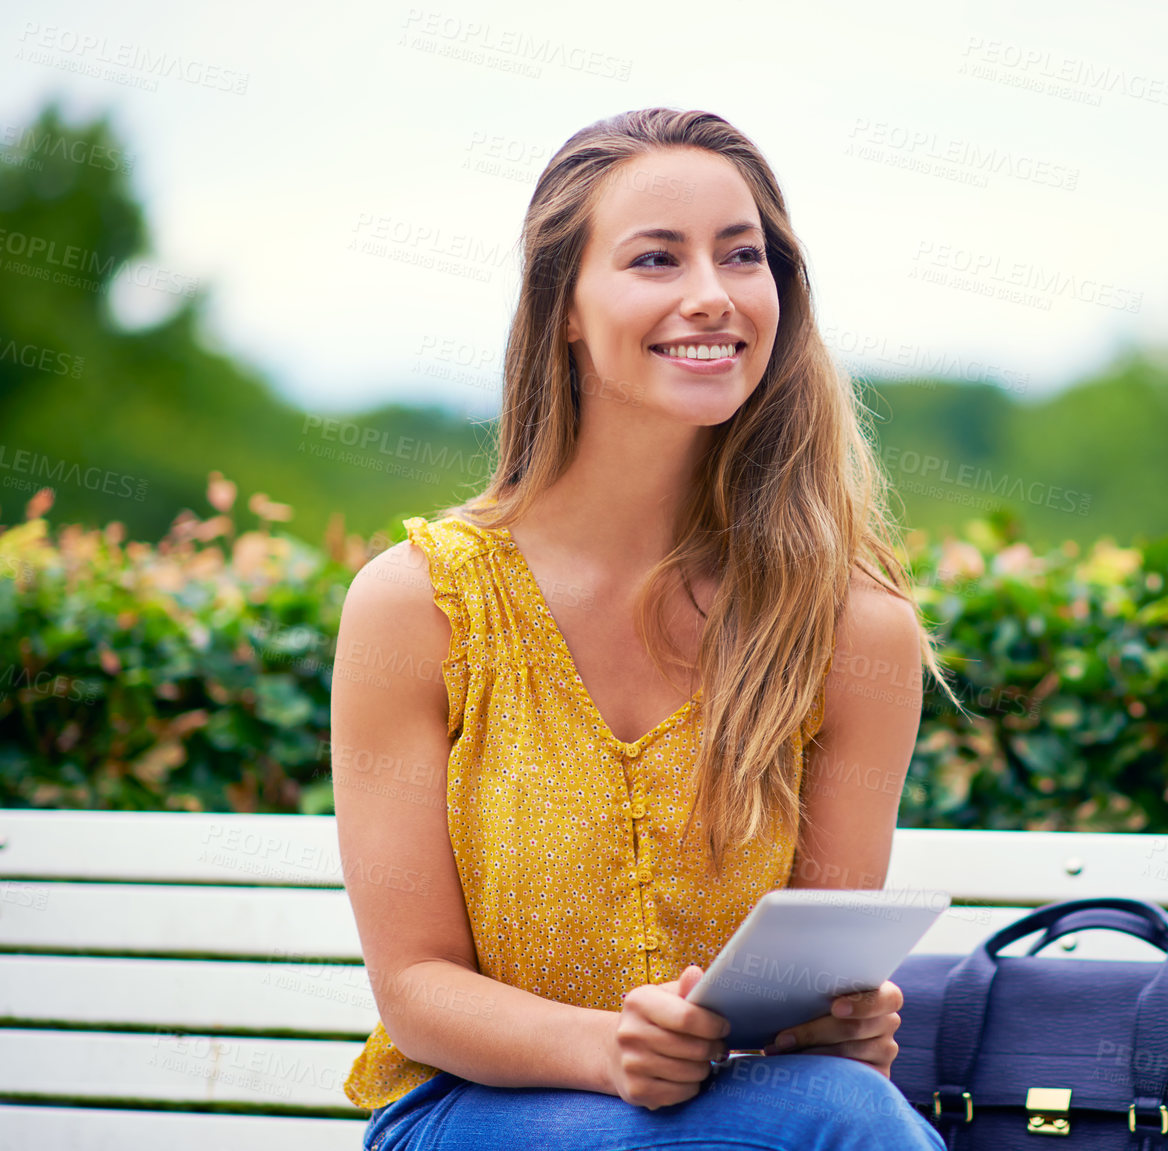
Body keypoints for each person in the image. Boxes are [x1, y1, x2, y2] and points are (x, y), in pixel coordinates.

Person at [329, 107, 954, 1150]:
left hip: (743, 1108)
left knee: (843, 1104)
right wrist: (605, 1047)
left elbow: (809, 979)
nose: (711, 294)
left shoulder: (854, 629)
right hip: (473, 1109)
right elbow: (416, 987)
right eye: (656, 258)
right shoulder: (419, 605)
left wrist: (838, 1023)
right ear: (564, 307)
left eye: (742, 255)